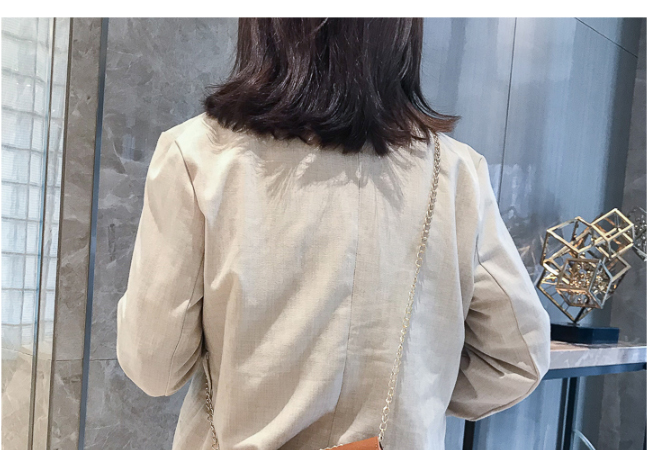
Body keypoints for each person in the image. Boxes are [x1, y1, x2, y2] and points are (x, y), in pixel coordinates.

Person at [116, 18, 551, 450]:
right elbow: (518, 358)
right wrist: (420, 394)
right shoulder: (456, 174)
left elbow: (155, 365)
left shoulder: (197, 155)